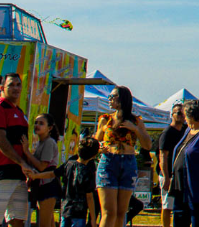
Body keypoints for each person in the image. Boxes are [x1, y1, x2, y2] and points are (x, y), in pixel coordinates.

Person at [93, 86, 153, 227]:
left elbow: (147, 145)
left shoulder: (136, 121)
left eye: (112, 97)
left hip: (128, 162)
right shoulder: (105, 119)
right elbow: (95, 142)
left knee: (121, 211)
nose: (109, 99)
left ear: (122, 100)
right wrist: (100, 146)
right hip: (109, 162)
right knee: (109, 211)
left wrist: (135, 129)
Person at [0, 73, 37, 227]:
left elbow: (22, 145)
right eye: (11, 85)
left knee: (18, 220)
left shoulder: (20, 112)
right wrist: (22, 163)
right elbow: (0, 140)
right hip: (0, 174)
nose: (16, 88)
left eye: (18, 84)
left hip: (19, 175)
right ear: (2, 88)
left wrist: (28, 167)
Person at [27, 137, 99, 227]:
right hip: (79, 213)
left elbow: (52, 173)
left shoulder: (69, 164)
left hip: (65, 210)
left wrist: (36, 176)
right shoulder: (88, 172)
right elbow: (89, 197)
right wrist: (92, 218)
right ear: (93, 156)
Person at [28, 114, 62, 227]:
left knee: (44, 223)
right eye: (36, 123)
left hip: (49, 185)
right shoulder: (41, 142)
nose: (37, 125)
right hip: (41, 185)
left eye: (41, 123)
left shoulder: (49, 142)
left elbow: (42, 166)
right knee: (49, 222)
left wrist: (26, 152)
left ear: (50, 128)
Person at [159, 104, 188, 227]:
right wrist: (166, 177)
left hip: (181, 174)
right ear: (172, 115)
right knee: (167, 205)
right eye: (178, 113)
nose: (181, 116)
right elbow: (163, 156)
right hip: (169, 174)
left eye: (183, 114)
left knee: (180, 205)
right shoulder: (167, 133)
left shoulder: (186, 131)